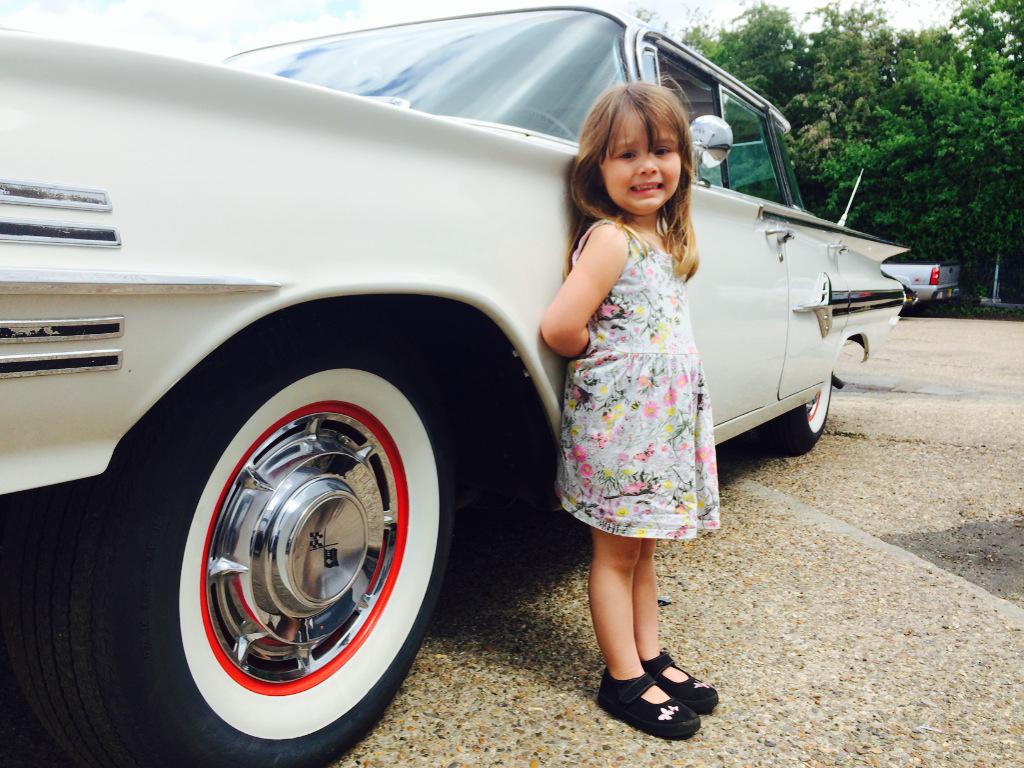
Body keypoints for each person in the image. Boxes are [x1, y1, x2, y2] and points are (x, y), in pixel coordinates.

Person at [540, 82, 720, 740]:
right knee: (615, 557)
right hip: (622, 430)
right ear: (599, 169)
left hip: (655, 432)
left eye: (662, 151)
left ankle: (650, 657)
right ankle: (621, 677)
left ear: (682, 163)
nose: (648, 166)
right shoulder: (612, 239)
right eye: (627, 155)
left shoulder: (662, 242)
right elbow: (561, 326)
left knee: (643, 554)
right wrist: (611, 361)